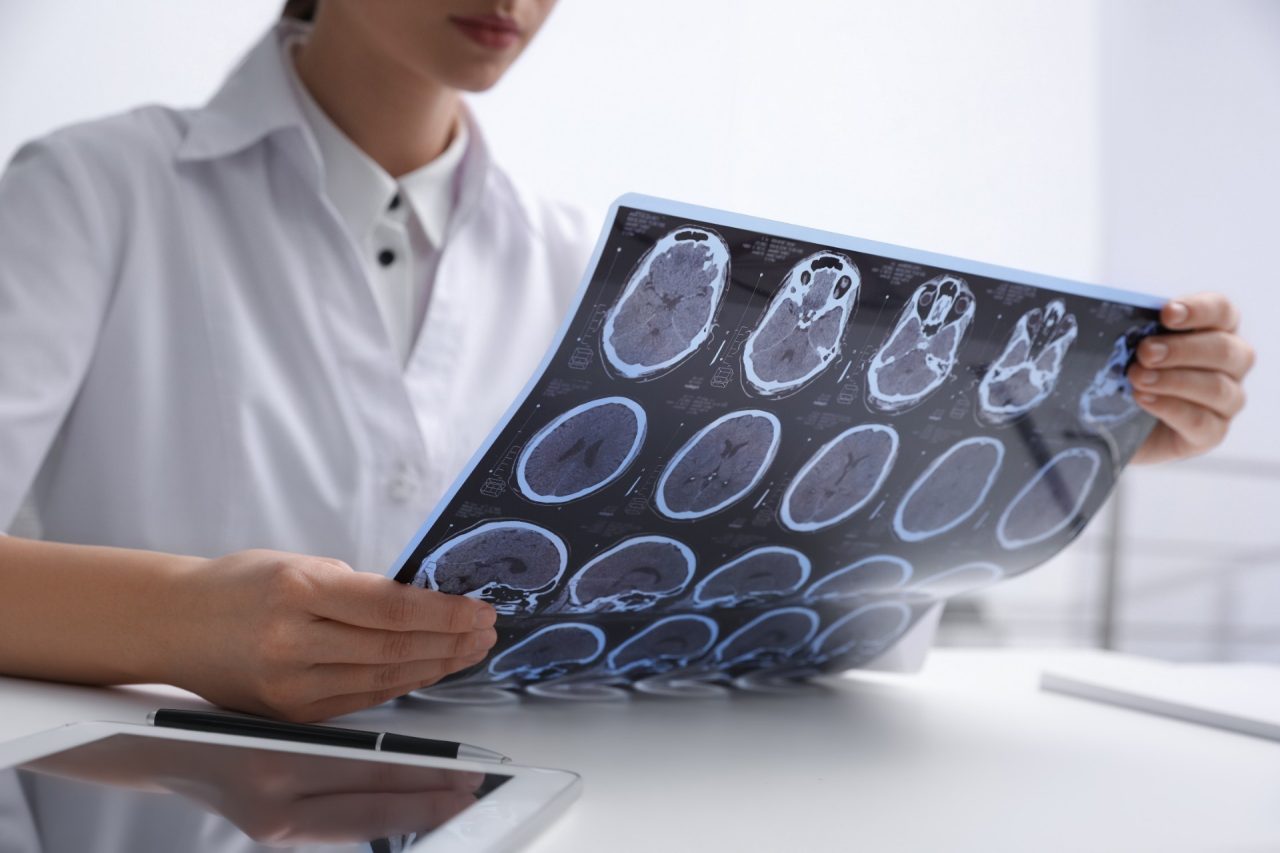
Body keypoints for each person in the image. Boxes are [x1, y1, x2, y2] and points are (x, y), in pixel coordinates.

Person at [0, 1, 1256, 722]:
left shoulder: (586, 266)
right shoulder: (93, 190)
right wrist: (179, 622)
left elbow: (760, 586)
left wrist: (1072, 435)